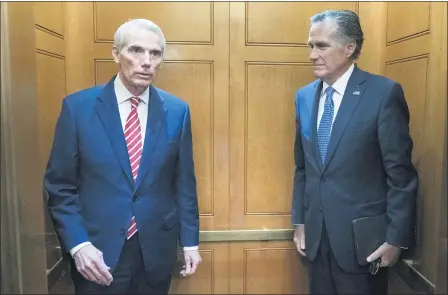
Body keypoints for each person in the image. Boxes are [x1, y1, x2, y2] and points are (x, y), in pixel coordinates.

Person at [44, 18, 202, 294]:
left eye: (155, 54)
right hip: (97, 254)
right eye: (136, 50)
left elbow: (184, 183)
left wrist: (190, 242)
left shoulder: (177, 111)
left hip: (155, 253)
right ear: (116, 54)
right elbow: (60, 187)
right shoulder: (78, 109)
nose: (146, 61)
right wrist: (78, 245)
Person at [291, 10, 418, 295]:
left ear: (349, 47)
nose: (312, 54)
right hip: (316, 242)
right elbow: (303, 168)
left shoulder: (383, 94)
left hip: (365, 247)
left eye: (321, 46)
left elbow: (400, 174)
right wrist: (299, 222)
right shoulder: (304, 96)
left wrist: (396, 239)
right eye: (310, 46)